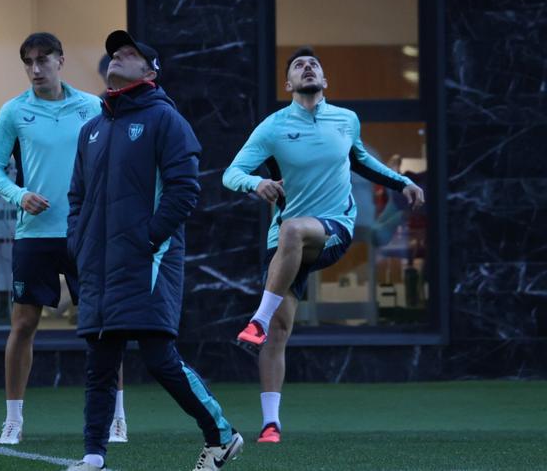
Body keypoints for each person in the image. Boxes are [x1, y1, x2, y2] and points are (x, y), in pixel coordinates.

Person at [223, 46, 425, 444]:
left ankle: (257, 320)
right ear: (288, 83)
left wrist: (403, 182)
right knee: (282, 329)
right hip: (282, 241)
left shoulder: (346, 120)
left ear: (325, 80)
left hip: (334, 229)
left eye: (314, 64)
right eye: (298, 65)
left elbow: (363, 161)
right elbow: (231, 172)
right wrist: (256, 182)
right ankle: (270, 423)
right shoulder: (273, 127)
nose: (307, 67)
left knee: (294, 232)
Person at [65, 30, 244, 471]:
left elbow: (185, 191)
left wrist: (146, 239)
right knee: (100, 364)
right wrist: (80, 244)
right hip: (100, 264)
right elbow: (76, 198)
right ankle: (93, 456)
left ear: (150, 72)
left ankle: (221, 435)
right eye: (114, 53)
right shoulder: (92, 129)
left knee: (160, 359)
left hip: (148, 260)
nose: (118, 57)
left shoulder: (166, 120)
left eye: (130, 53)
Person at [0, 32, 128, 445]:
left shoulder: (92, 107)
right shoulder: (13, 112)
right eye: (28, 61)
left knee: (103, 324)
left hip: (87, 233)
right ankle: (13, 419)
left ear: (61, 61)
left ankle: (117, 416)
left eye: (43, 59)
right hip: (36, 235)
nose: (35, 68)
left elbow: (115, 160)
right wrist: (19, 194)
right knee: (24, 323)